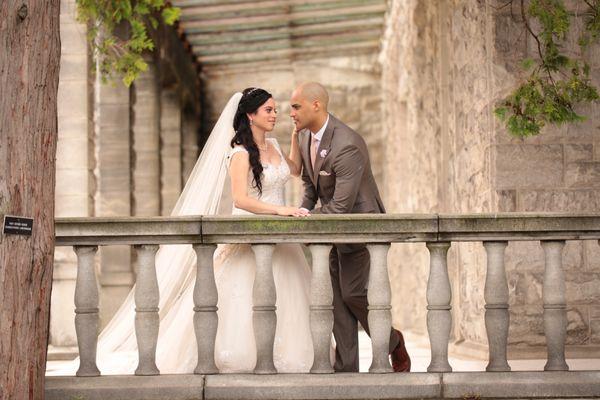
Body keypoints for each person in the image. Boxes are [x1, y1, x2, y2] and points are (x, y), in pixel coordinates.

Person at [52, 88, 315, 375]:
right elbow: (240, 199)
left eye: (275, 109)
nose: (275, 114)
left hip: (279, 237)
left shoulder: (275, 145)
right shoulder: (239, 154)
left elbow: (294, 170)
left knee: (286, 296)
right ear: (250, 115)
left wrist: (294, 136)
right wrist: (280, 210)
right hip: (252, 232)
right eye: (268, 110)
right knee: (244, 298)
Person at [290, 82, 411, 372]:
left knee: (353, 293)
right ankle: (346, 370)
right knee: (335, 301)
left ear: (316, 105)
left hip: (359, 226)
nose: (291, 113)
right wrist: (302, 210)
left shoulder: (347, 144)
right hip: (329, 226)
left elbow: (342, 207)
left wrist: (305, 222)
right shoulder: (306, 136)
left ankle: (393, 342)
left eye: (296, 106)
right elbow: (310, 185)